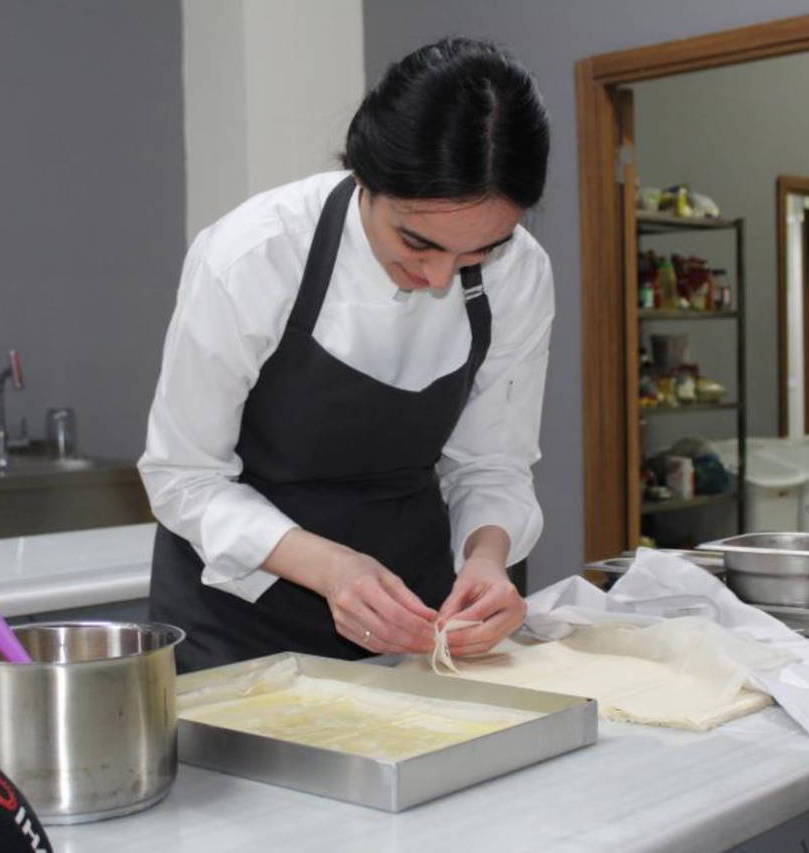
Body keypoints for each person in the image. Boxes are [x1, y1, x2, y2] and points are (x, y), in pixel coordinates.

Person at [140, 37, 554, 673]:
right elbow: (183, 477)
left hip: (413, 612)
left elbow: (493, 464)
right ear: (365, 177)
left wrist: (486, 558)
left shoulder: (520, 271)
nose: (440, 277)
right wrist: (333, 568)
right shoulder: (256, 254)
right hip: (241, 619)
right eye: (417, 242)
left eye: (478, 251)